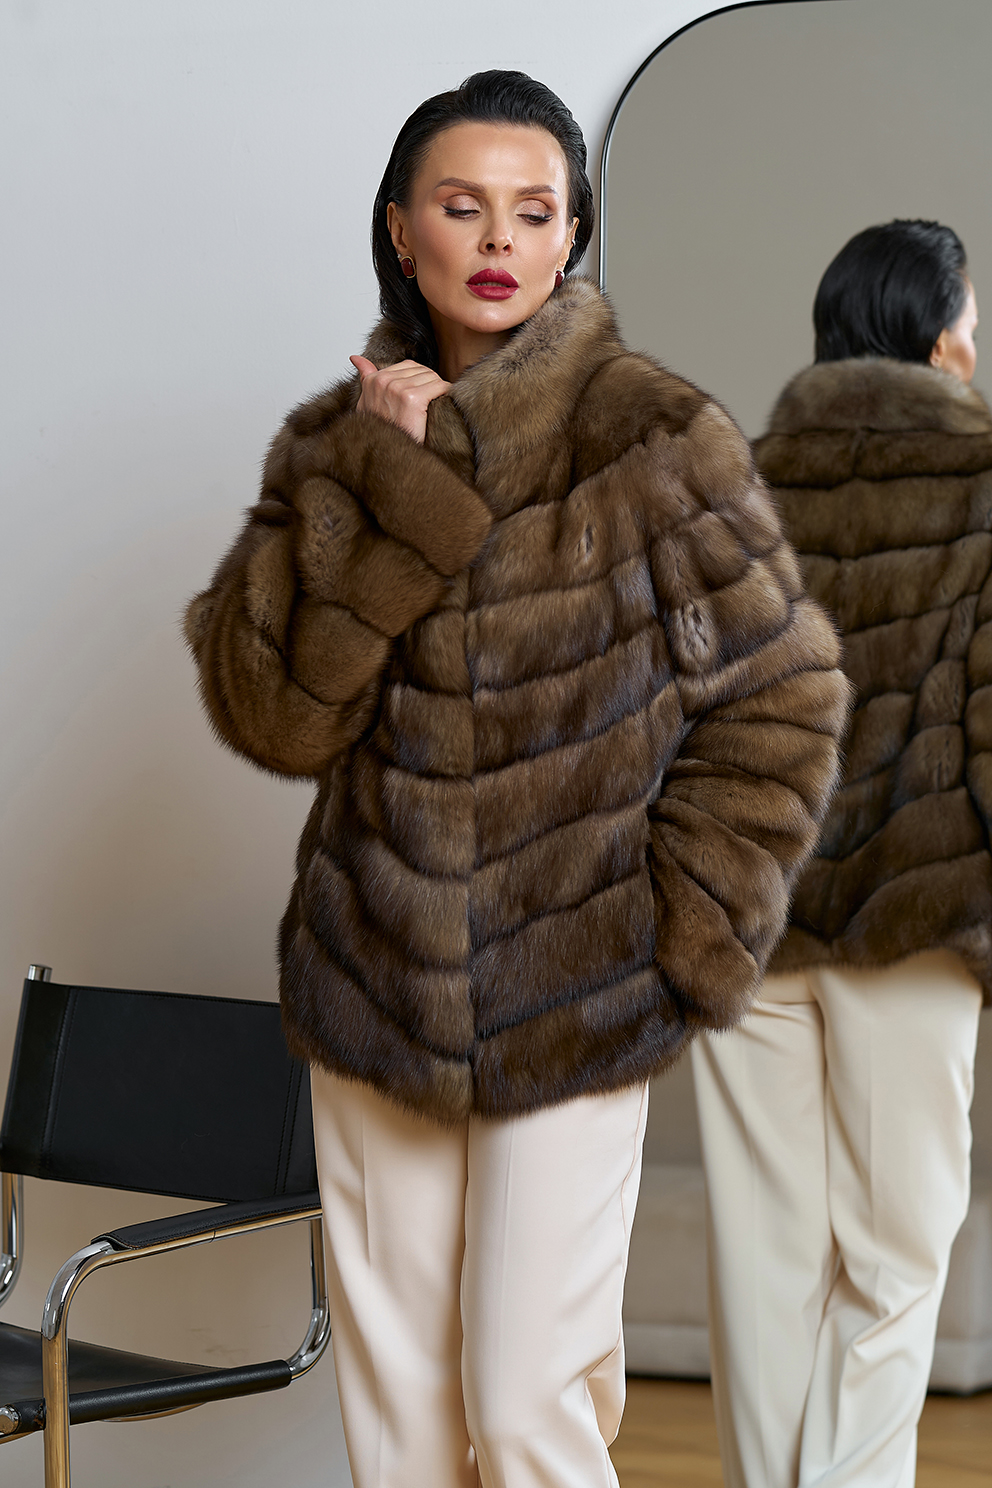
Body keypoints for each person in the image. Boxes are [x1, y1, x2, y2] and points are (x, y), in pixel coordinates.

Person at [185, 70, 846, 1488]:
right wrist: (390, 488)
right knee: (403, 1423)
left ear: (571, 236)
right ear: (399, 227)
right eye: (462, 205)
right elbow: (275, 717)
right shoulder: (336, 447)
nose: (497, 239)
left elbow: (780, 693)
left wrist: (682, 933)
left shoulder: (652, 436)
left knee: (524, 1391)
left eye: (533, 211)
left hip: (577, 994)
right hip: (376, 985)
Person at [692, 218, 991, 1488]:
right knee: (894, 1259)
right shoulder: (983, 479)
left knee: (763, 1265)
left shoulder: (737, 483)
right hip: (908, 920)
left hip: (745, 912)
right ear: (939, 338)